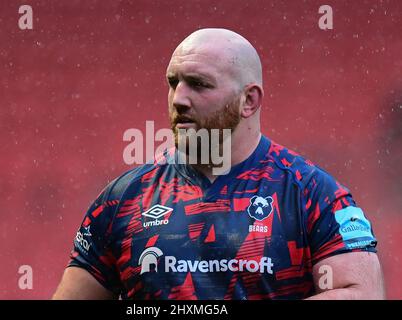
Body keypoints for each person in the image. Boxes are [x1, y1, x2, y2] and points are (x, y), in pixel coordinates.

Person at [52, 28, 385, 300]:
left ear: (249, 100)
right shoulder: (123, 198)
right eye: (173, 82)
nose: (179, 99)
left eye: (198, 84)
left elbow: (363, 293)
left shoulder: (311, 192)